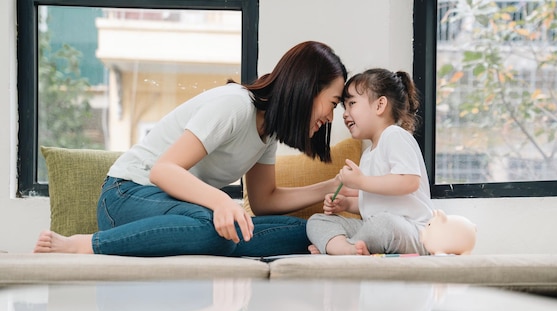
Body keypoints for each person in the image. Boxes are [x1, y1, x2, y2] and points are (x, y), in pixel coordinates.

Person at [34, 41, 347, 257]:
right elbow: (163, 170)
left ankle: (212, 239)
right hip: (126, 196)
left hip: (177, 210)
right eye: (332, 103)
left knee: (308, 229)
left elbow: (265, 201)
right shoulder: (235, 105)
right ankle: (88, 245)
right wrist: (222, 203)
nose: (330, 117)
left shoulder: (268, 131)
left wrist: (330, 188)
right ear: (307, 87)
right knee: (215, 227)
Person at [306, 68, 435, 255]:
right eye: (344, 106)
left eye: (351, 103)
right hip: (373, 228)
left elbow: (409, 182)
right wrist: (346, 205)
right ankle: (349, 250)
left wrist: (360, 182)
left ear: (379, 105)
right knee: (318, 221)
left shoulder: (395, 135)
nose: (344, 113)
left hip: (413, 231)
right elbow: (374, 201)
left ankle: (338, 248)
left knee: (383, 225)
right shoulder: (368, 154)